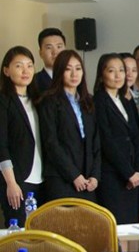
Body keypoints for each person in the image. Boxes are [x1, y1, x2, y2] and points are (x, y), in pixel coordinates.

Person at [38, 50, 100, 202]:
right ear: (59, 71)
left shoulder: (88, 101)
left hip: (87, 180)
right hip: (61, 178)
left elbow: (96, 141)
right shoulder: (49, 101)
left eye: (78, 68)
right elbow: (51, 143)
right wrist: (73, 175)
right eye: (68, 69)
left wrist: (95, 175)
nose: (74, 74)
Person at [93, 53, 139, 224]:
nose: (118, 75)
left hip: (133, 175)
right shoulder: (98, 101)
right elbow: (106, 140)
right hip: (113, 174)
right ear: (101, 74)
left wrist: (138, 170)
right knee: (115, 225)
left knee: (132, 225)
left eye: (121, 70)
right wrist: (128, 173)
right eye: (111, 71)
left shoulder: (126, 100)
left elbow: (137, 137)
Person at [0, 46, 43, 225]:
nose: (25, 71)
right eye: (19, 66)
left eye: (29, 65)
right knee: (19, 231)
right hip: (18, 179)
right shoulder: (4, 100)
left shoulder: (37, 100)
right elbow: (1, 145)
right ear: (6, 71)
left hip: (42, 178)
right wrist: (11, 182)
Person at [34, 28, 66, 93]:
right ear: (40, 53)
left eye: (59, 47)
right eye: (49, 47)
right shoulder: (34, 82)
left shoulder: (74, 77)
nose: (55, 52)